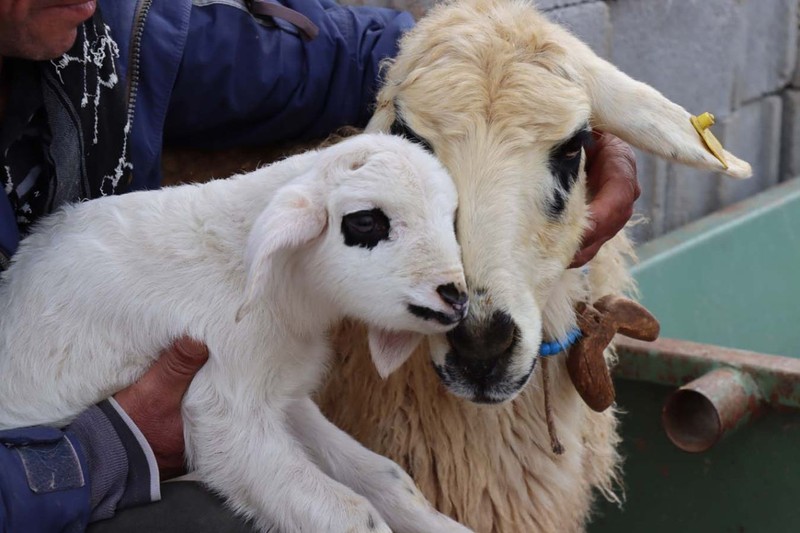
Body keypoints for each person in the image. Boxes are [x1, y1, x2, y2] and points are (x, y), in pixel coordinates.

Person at [0, 0, 639, 531]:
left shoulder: (110, 32)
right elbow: (228, 423)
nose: (86, 1)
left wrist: (563, 110)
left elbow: (339, 54)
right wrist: (103, 451)